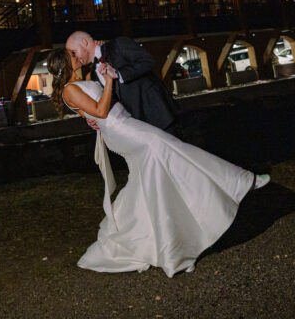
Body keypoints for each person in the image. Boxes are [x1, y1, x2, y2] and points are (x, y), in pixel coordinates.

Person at [47, 47, 269, 277]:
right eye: (72, 55)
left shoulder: (82, 81)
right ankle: (237, 181)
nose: (77, 56)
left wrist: (102, 87)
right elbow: (101, 111)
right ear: (65, 64)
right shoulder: (69, 90)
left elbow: (93, 113)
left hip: (127, 123)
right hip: (122, 131)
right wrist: (109, 82)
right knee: (170, 149)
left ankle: (148, 236)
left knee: (152, 177)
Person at [65, 30, 180, 132]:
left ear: (84, 43)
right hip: (138, 128)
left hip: (159, 116)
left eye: (74, 52)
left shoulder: (118, 44)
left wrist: (118, 74)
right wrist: (93, 118)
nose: (74, 57)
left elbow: (148, 61)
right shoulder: (94, 75)